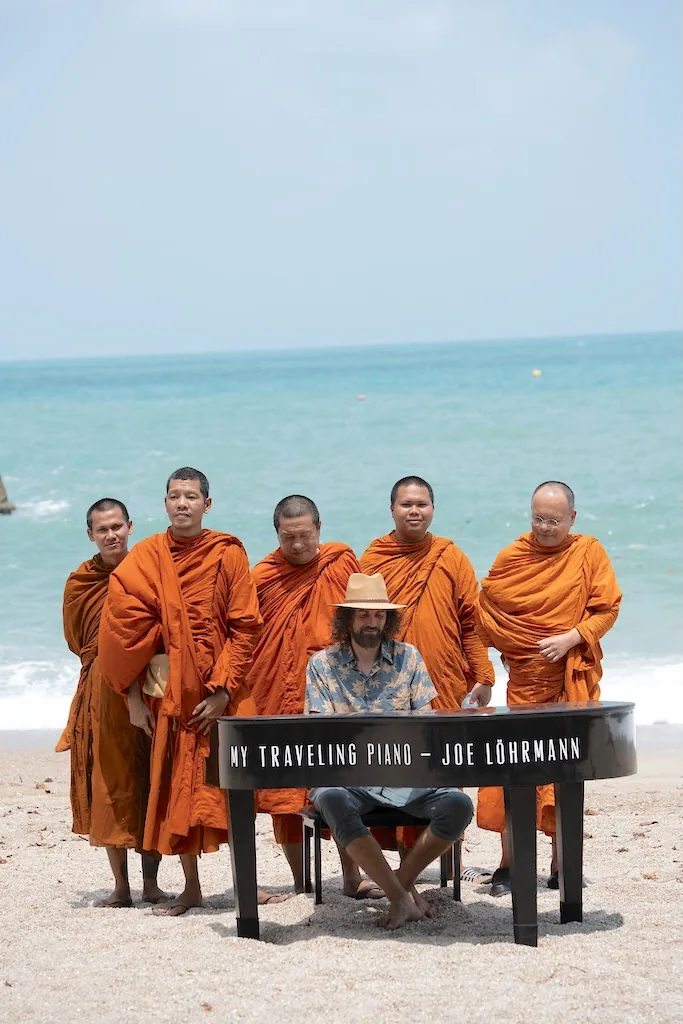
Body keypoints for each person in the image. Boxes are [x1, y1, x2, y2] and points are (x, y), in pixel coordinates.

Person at [98, 468, 266, 916]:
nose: (182, 504)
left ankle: (244, 884)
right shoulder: (148, 556)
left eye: (191, 496)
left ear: (207, 504)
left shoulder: (227, 552)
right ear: (165, 503)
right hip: (169, 693)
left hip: (220, 689)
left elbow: (245, 625)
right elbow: (121, 632)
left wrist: (225, 691)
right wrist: (133, 699)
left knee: (230, 790)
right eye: (174, 496)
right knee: (179, 787)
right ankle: (191, 886)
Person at [475, 481, 622, 895]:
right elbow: (487, 611)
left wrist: (573, 637)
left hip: (567, 682)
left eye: (554, 520)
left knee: (564, 775)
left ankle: (561, 865)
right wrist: (491, 664)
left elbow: (607, 608)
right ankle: (508, 865)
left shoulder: (588, 552)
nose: (545, 527)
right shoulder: (514, 556)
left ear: (572, 519)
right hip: (523, 685)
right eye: (538, 518)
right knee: (513, 771)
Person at [305, 572, 474, 930]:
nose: (372, 622)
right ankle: (399, 898)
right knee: (330, 798)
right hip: (348, 777)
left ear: (388, 618)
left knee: (458, 805)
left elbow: (425, 724)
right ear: (347, 618)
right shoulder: (322, 664)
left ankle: (401, 880)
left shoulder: (408, 658)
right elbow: (321, 733)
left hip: (405, 774)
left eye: (379, 615)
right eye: (363, 615)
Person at [359, 475, 494, 858]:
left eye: (421, 504)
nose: (414, 511)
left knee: (445, 774)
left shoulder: (450, 556)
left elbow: (472, 621)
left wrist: (483, 675)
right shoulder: (374, 559)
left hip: (445, 682)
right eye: (406, 504)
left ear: (432, 509)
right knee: (399, 771)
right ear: (392, 510)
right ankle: (406, 866)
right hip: (388, 685)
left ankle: (448, 867)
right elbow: (360, 626)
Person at [243, 495, 361, 894]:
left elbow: (362, 620)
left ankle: (352, 877)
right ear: (276, 533)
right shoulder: (261, 578)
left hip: (335, 691)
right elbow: (244, 637)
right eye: (288, 537)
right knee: (285, 793)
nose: (297, 545)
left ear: (319, 529)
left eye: (305, 536)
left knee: (344, 782)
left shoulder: (341, 562)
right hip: (277, 692)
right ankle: (300, 881)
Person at [57, 498, 166, 907]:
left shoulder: (147, 573)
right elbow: (77, 640)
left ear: (130, 526)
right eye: (102, 529)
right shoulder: (80, 583)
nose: (111, 535)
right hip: (100, 692)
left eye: (117, 526)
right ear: (90, 535)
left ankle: (151, 884)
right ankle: (121, 887)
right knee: (109, 782)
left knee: (148, 779)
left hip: (149, 686)